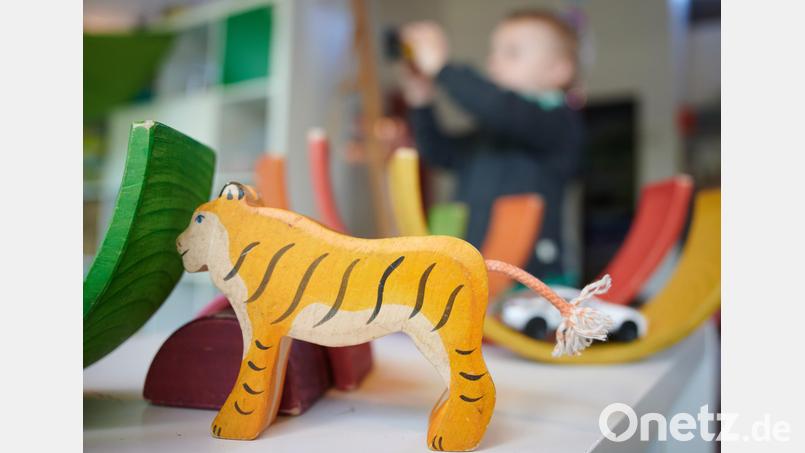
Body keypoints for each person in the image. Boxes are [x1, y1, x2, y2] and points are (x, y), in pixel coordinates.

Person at [399, 10, 584, 284]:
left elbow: (499, 106)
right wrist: (422, 103)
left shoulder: (557, 123)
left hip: (533, 280)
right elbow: (439, 153)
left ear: (558, 70)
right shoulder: (491, 134)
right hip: (476, 275)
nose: (493, 61)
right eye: (494, 51)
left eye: (511, 52)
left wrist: (442, 68)